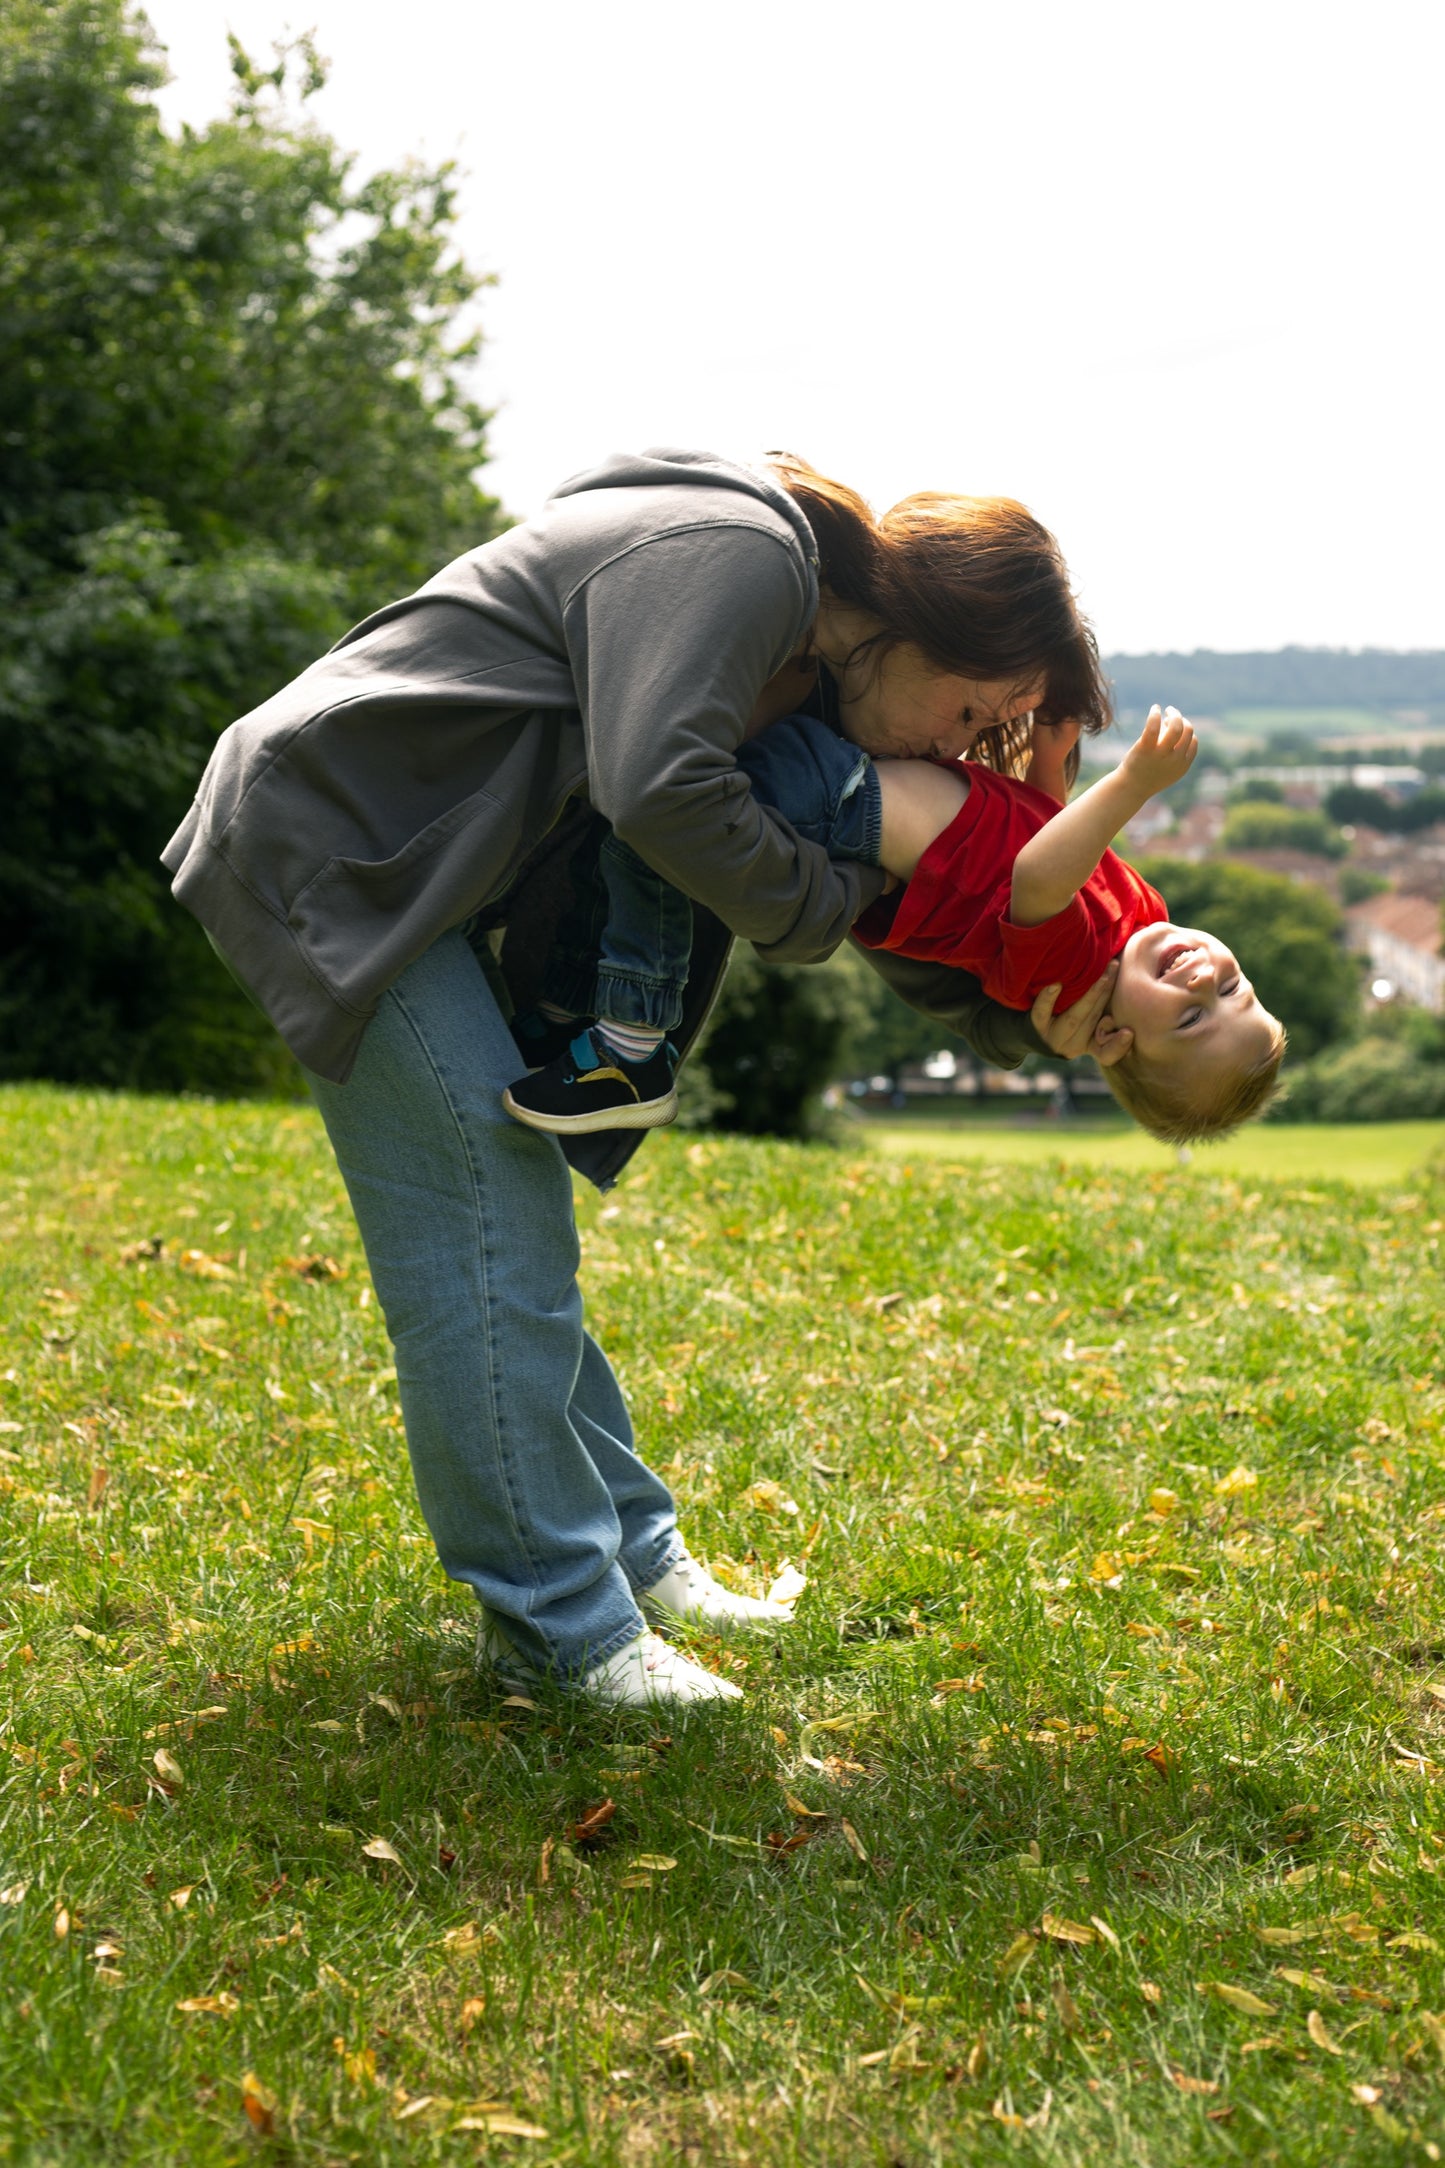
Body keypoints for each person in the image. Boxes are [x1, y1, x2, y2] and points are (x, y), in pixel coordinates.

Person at [162, 448, 1118, 1707]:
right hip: (339, 840)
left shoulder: (821, 682)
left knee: (514, 1216)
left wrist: (1038, 1014)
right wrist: (817, 900)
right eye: (969, 711)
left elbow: (904, 892)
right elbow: (659, 785)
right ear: (922, 621)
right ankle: (562, 1631)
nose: (960, 748)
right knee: (487, 1207)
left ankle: (633, 1554)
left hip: (421, 872)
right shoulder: (743, 553)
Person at [504, 702, 1285, 1145]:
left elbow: (1037, 874)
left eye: (1189, 1019)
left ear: (1115, 1043)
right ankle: (564, 1002)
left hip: (845, 808)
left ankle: (632, 1039)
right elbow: (1039, 829)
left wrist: (1132, 782)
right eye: (1232, 987)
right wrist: (1048, 765)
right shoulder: (1141, 922)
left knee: (659, 809)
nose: (1202, 978)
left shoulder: (1078, 972)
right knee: (661, 787)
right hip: (856, 789)